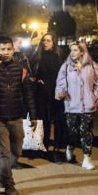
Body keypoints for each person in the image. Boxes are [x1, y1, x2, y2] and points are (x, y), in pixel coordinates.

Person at [0, 36, 37, 195]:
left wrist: (33, 116)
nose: (6, 52)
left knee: (17, 150)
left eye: (8, 49)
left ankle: (2, 172)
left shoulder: (20, 69)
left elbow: (28, 94)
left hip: (16, 116)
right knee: (3, 152)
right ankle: (9, 185)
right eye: (2, 49)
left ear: (13, 50)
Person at [55, 39, 98, 170]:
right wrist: (61, 92)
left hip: (88, 105)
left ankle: (87, 159)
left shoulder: (92, 65)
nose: (72, 53)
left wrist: (95, 96)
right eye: (71, 50)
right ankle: (70, 148)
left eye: (75, 50)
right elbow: (60, 82)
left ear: (82, 52)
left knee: (86, 132)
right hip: (71, 105)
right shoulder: (66, 66)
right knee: (72, 132)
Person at [31, 33, 66, 162]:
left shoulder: (58, 57)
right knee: (42, 120)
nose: (45, 43)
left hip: (56, 93)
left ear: (53, 43)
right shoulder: (37, 56)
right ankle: (43, 146)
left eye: (48, 41)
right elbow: (31, 73)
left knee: (57, 121)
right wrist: (36, 80)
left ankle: (56, 149)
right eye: (44, 41)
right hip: (41, 93)